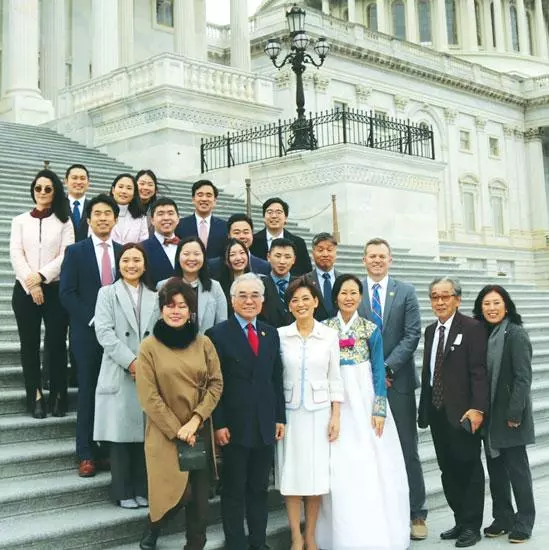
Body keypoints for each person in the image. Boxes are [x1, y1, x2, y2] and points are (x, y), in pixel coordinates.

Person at [317, 274, 410, 549]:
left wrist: (379, 407)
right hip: (335, 400)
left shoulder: (370, 329)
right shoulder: (325, 328)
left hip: (364, 396)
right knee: (339, 464)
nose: (348, 297)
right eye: (343, 293)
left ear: (360, 297)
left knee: (372, 460)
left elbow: (379, 370)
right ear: (336, 297)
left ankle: (375, 530)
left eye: (354, 293)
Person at [136, 278, 223, 550]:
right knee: (170, 490)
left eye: (182, 306)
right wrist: (177, 429)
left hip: (197, 430)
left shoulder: (203, 343)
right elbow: (148, 396)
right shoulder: (149, 346)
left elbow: (215, 383)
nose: (176, 311)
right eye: (170, 305)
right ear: (161, 309)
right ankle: (154, 527)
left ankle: (195, 544)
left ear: (191, 311)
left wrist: (195, 421)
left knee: (198, 498)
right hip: (164, 430)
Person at [206, 273, 286, 550]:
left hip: (264, 424)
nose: (249, 301)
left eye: (255, 296)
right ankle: (236, 543)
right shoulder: (216, 335)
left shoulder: (270, 332)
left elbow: (276, 378)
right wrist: (218, 423)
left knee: (259, 489)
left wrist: (279, 417)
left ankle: (258, 542)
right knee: (234, 490)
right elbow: (213, 384)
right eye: (243, 295)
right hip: (234, 425)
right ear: (231, 300)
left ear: (263, 301)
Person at [358, 237, 427, 540]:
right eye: (371, 256)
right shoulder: (354, 291)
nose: (376, 260)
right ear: (364, 260)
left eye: (381, 256)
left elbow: (412, 334)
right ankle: (378, 510)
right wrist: (372, 372)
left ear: (390, 259)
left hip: (397, 383)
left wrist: (387, 367)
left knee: (407, 448)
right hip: (364, 384)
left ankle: (417, 512)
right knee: (369, 447)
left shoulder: (406, 291)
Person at [417, 277, 489, 548]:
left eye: (445, 296)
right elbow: (429, 374)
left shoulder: (472, 328)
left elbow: (479, 373)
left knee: (468, 468)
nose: (440, 302)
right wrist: (424, 409)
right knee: (447, 469)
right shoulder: (429, 331)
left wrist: (478, 408)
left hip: (464, 413)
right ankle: (460, 519)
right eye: (435, 296)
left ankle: (472, 525)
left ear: (457, 299)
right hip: (437, 412)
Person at [276, 277, 343, 550]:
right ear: (289, 306)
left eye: (306, 299)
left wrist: (335, 415)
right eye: (294, 300)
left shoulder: (329, 335)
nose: (300, 304)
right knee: (291, 477)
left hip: (318, 415)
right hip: (289, 416)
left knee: (315, 479)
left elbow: (335, 378)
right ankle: (295, 536)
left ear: (316, 302)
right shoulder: (280, 335)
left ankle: (311, 535)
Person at [60, 194, 122, 478]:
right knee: (88, 391)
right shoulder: (76, 251)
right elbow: (67, 294)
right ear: (88, 218)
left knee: (113, 393)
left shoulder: (124, 252)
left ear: (115, 218)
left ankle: (105, 449)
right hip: (87, 334)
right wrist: (95, 318)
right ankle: (85, 453)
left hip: (119, 337)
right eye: (97, 213)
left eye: (108, 213)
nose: (103, 218)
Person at [93, 243, 159, 509]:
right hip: (119, 369)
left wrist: (147, 363)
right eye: (126, 260)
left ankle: (142, 489)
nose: (131, 265)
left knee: (144, 436)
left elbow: (159, 331)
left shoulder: (155, 294)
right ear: (118, 264)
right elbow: (105, 333)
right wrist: (131, 362)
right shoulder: (107, 293)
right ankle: (122, 491)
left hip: (149, 370)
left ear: (144, 264)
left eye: (137, 260)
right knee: (120, 436)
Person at [473, 285, 536, 544]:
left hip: (510, 414)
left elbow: (523, 377)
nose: (491, 308)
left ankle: (524, 520)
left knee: (517, 470)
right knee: (496, 469)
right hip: (489, 414)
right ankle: (503, 517)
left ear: (506, 305)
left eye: (496, 303)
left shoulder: (516, 334)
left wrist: (515, 413)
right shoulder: (482, 335)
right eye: (486, 304)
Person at [10, 169, 74, 418]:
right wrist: (32, 283)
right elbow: (16, 253)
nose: (43, 193)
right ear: (33, 190)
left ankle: (59, 394)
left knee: (57, 343)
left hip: (55, 289)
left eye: (48, 188)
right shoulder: (20, 220)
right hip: (25, 289)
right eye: (39, 188)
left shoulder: (64, 221)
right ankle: (34, 395)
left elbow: (65, 254)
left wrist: (42, 277)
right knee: (29, 344)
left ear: (55, 191)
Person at [158, 236, 227, 334]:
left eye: (196, 254)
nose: (191, 258)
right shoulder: (163, 286)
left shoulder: (215, 287)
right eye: (186, 254)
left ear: (204, 257)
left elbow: (222, 324)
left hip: (205, 347)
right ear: (178, 257)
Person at [251, 197, 312, 276]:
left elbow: (306, 272)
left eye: (278, 212)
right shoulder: (253, 241)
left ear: (286, 218)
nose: (274, 216)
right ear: (264, 217)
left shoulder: (298, 243)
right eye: (269, 212)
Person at [175, 179, 227, 259]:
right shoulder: (180, 225)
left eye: (209, 195)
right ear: (193, 199)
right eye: (200, 195)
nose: (204, 199)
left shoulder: (225, 227)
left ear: (215, 201)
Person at [208, 214, 270, 278]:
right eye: (237, 233)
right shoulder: (214, 266)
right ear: (229, 235)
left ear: (252, 233)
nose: (242, 236)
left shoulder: (265, 266)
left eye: (246, 232)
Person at [259, 237, 297, 328]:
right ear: (268, 257)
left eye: (287, 257)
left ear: (294, 260)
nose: (282, 261)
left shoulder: (301, 285)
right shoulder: (259, 286)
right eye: (278, 256)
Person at [141, 198, 180, 286]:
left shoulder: (186, 246)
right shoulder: (142, 248)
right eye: (160, 214)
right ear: (152, 220)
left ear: (178, 218)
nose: (166, 218)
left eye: (170, 213)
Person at [304, 232, 340, 322]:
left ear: (336, 253)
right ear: (313, 254)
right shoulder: (304, 281)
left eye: (329, 250)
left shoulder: (344, 280)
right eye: (320, 250)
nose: (325, 254)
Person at [109, 173, 149, 244]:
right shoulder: (102, 213)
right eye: (120, 187)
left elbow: (144, 242)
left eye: (129, 188)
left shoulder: (141, 216)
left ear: (134, 193)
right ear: (113, 190)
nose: (124, 191)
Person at [217, 238, 250, 314]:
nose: (238, 258)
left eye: (242, 253)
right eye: (232, 254)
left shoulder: (257, 281)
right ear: (225, 259)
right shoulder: (219, 286)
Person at [65, 163, 91, 241]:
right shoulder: (57, 205)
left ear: (88, 183)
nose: (79, 182)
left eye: (82, 178)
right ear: (66, 181)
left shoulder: (93, 207)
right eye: (74, 178)